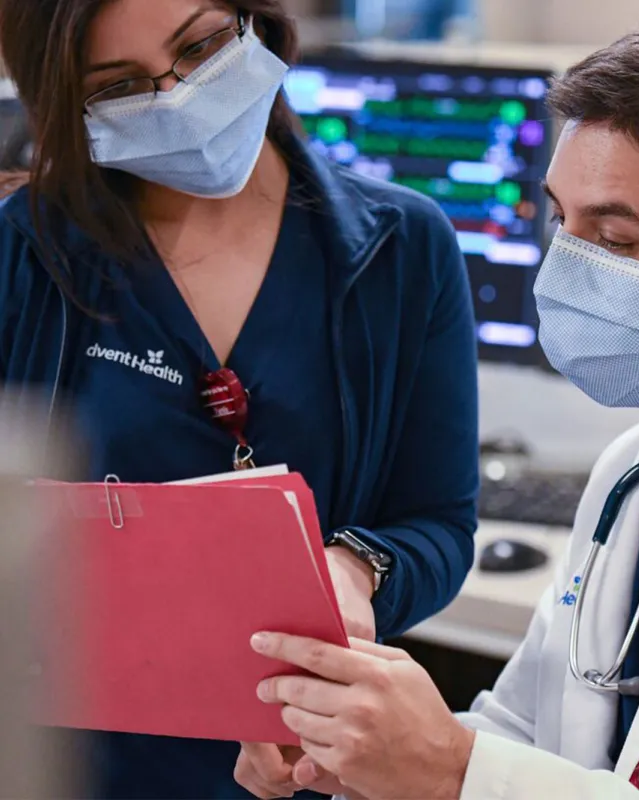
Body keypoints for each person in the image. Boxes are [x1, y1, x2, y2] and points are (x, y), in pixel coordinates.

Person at [242, 17, 639, 800]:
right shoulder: (631, 478)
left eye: (616, 241)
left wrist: (452, 770)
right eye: (561, 224)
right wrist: (360, 750)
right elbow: (527, 737)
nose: (562, 274)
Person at [0, 0, 479, 797]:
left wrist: (354, 569)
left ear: (258, 21)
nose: (180, 93)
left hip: (312, 765)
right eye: (122, 85)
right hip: (69, 769)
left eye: (202, 44)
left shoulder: (401, 247)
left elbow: (439, 523)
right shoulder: (25, 256)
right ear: (70, 110)